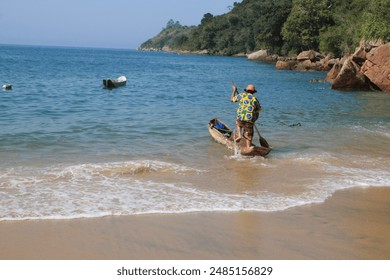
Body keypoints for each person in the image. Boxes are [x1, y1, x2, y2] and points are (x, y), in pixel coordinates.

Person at [230, 84, 261, 149]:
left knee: (238, 122)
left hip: (240, 118)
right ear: (253, 92)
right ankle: (248, 147)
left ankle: (239, 135)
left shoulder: (241, 95)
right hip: (249, 119)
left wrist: (234, 91)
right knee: (249, 134)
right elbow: (259, 109)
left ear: (246, 90)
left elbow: (231, 99)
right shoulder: (254, 99)